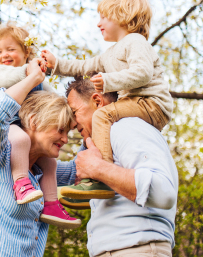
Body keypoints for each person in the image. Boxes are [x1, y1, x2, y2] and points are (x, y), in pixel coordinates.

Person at [43, 0, 174, 199]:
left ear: (123, 15)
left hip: (152, 103)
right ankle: (96, 182)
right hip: (136, 102)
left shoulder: (136, 42)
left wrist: (109, 81)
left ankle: (99, 178)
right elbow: (83, 66)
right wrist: (56, 64)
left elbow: (143, 73)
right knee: (105, 120)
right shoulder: (110, 53)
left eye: (103, 17)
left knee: (102, 115)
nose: (98, 23)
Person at [0, 59, 79, 257]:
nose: (65, 139)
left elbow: (78, 170)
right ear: (33, 121)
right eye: (60, 130)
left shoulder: (42, 172)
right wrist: (33, 78)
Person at [56, 76, 178, 257]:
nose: (72, 124)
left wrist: (98, 169)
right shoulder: (103, 143)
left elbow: (164, 191)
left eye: (74, 112)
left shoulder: (125, 127)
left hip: (136, 250)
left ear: (97, 101)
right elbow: (68, 172)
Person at [0, 23, 77, 227]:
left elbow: (51, 95)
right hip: (9, 123)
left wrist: (71, 115)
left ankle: (51, 203)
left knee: (50, 162)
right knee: (21, 139)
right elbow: (9, 77)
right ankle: (21, 182)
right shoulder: (2, 72)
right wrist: (29, 71)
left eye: (11, 49)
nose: (4, 55)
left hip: (28, 125)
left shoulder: (35, 76)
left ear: (26, 51)